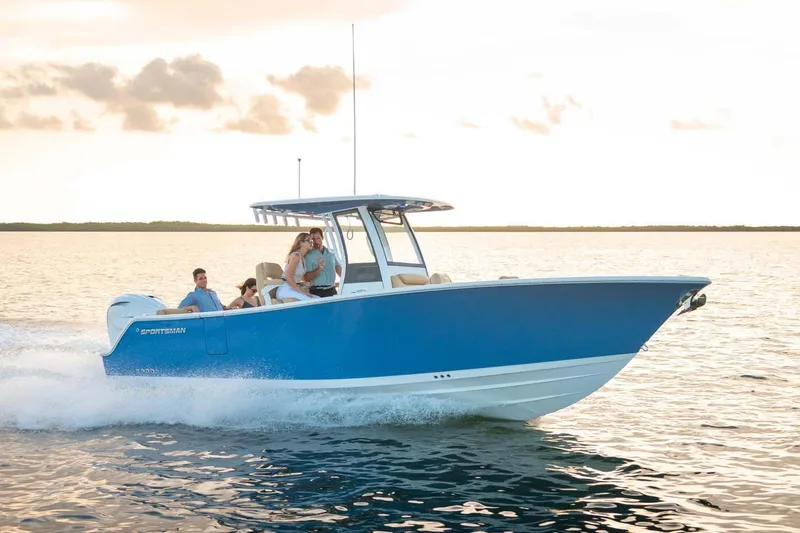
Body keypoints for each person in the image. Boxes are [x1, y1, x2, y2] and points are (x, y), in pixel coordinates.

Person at [276, 232, 320, 302]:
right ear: (301, 243)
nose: (311, 242)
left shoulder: (302, 258)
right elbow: (288, 277)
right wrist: (301, 292)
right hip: (285, 290)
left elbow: (300, 278)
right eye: (308, 240)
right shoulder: (296, 256)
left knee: (318, 299)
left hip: (293, 288)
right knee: (313, 301)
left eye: (311, 240)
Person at [303, 227, 342, 297]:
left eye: (318, 238)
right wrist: (319, 268)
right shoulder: (308, 256)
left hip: (332, 290)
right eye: (313, 239)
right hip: (316, 291)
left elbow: (339, 269)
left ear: (322, 237)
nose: (315, 241)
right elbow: (306, 278)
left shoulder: (332, 252)